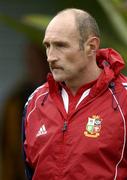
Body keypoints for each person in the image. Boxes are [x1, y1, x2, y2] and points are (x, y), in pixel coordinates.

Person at [22, 8, 127, 180]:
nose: (50, 57)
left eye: (61, 45)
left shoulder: (124, 99)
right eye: (47, 46)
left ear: (91, 46)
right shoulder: (34, 102)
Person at [2, 42, 49, 180]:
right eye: (30, 61)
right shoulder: (16, 100)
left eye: (39, 60)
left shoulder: (63, 96)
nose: (34, 66)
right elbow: (8, 148)